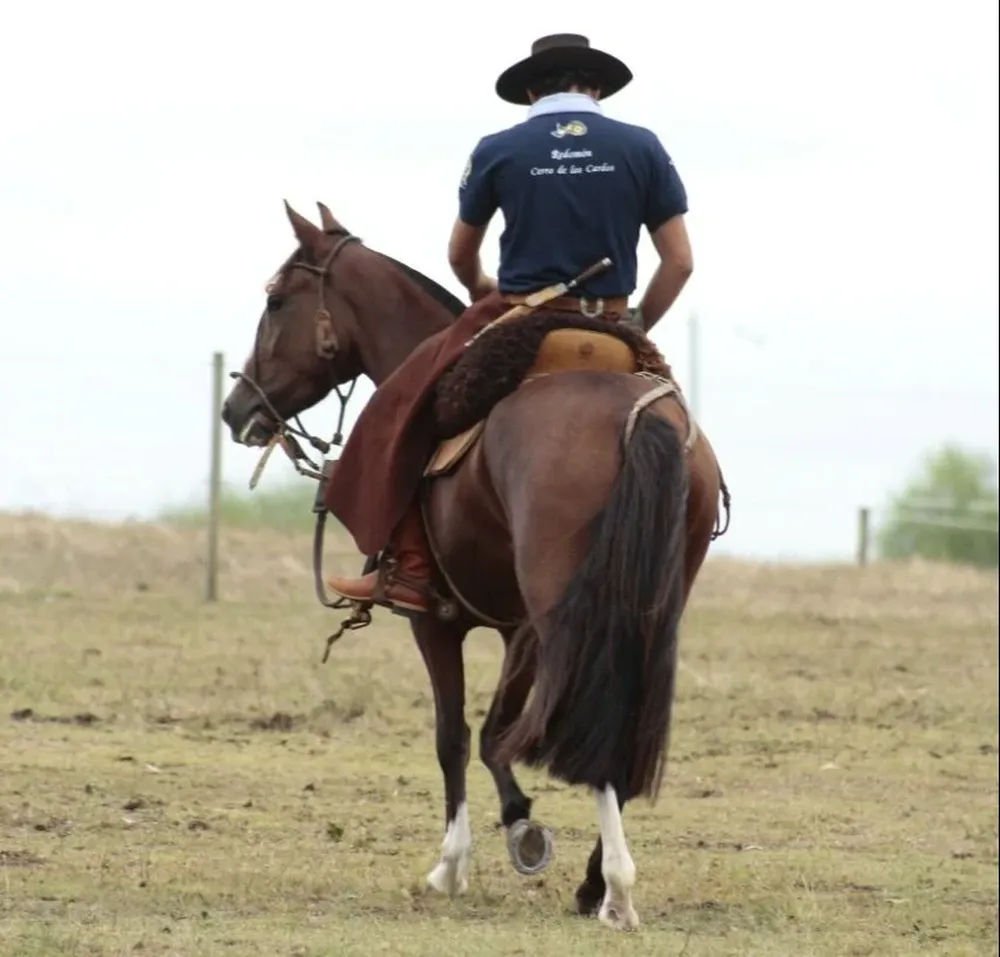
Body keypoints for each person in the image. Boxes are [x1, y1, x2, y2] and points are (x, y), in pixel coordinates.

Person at [324, 33, 695, 613]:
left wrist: (480, 292)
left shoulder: (499, 147)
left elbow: (458, 255)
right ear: (595, 87)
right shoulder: (643, 147)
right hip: (614, 323)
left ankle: (410, 570)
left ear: (530, 90)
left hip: (524, 321)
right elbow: (680, 262)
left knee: (409, 405)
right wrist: (638, 321)